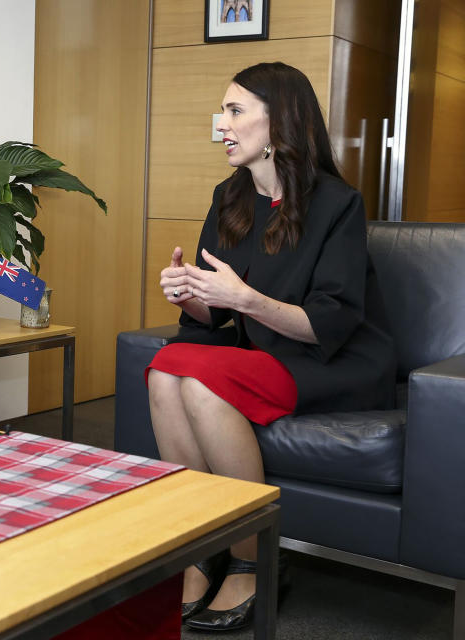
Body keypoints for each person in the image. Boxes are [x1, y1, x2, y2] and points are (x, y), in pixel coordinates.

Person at [148, 62, 395, 632]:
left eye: (235, 111)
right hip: (269, 356)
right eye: (223, 111)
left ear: (278, 121)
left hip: (336, 361)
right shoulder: (230, 196)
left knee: (204, 383)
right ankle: (195, 548)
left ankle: (253, 558)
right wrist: (191, 296)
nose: (222, 124)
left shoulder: (337, 204)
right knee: (165, 370)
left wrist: (244, 296)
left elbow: (328, 324)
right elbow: (214, 320)